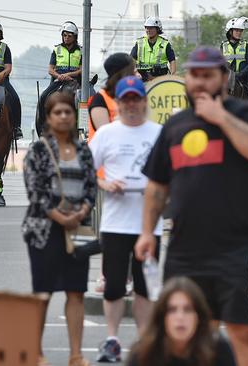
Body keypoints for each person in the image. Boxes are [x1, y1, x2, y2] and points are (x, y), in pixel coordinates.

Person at [135, 46, 248, 366]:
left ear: (223, 78)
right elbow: (156, 186)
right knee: (189, 332)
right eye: (193, 75)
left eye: (207, 75)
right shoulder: (174, 127)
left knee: (244, 331)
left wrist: (220, 117)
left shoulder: (245, 114)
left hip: (240, 248)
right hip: (186, 249)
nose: (199, 82)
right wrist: (146, 233)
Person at [88, 76, 162, 363]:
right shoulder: (107, 134)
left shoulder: (158, 133)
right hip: (116, 223)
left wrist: (157, 189)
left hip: (148, 224)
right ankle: (112, 339)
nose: (131, 104)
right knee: (115, 285)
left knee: (145, 287)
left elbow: (171, 176)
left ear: (144, 101)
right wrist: (106, 185)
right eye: (126, 99)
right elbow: (87, 171)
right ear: (117, 103)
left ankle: (144, 342)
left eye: (136, 98)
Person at [22, 92, 97, 366]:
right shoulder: (39, 150)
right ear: (48, 117)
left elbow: (91, 188)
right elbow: (35, 191)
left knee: (76, 291)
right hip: (44, 229)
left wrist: (81, 212)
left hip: (77, 228)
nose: (64, 116)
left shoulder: (83, 151)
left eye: (68, 112)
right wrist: (59, 216)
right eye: (58, 112)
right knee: (43, 292)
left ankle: (76, 354)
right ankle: (36, 351)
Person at [86, 53, 137, 293]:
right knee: (109, 229)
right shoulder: (100, 99)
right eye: (132, 69)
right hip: (106, 173)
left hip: (132, 172)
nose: (136, 73)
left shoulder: (130, 96)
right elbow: (106, 133)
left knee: (131, 231)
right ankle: (105, 275)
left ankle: (128, 276)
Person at [127, 277, 237, 366]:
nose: (180, 317)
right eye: (172, 310)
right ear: (162, 316)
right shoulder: (143, 354)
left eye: (188, 309)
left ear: (198, 316)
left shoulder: (219, 351)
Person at [36, 21, 82, 133]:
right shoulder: (57, 50)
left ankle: (85, 126)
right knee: (43, 97)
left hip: (74, 81)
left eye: (69, 36)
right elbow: (50, 69)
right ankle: (42, 126)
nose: (66, 38)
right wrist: (59, 76)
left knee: (87, 98)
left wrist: (68, 75)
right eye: (64, 35)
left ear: (75, 37)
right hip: (58, 80)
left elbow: (82, 69)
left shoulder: (80, 50)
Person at [131, 16, 176, 81]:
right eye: (147, 28)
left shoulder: (165, 43)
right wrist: (136, 72)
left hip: (160, 78)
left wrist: (172, 77)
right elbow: (131, 60)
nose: (148, 30)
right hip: (142, 78)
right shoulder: (139, 42)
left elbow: (172, 61)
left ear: (157, 29)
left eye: (151, 28)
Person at [221, 17, 248, 86]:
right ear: (230, 31)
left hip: (243, 79)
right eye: (237, 30)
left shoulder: (245, 45)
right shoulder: (223, 46)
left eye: (241, 31)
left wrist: (240, 74)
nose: (239, 33)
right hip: (228, 79)